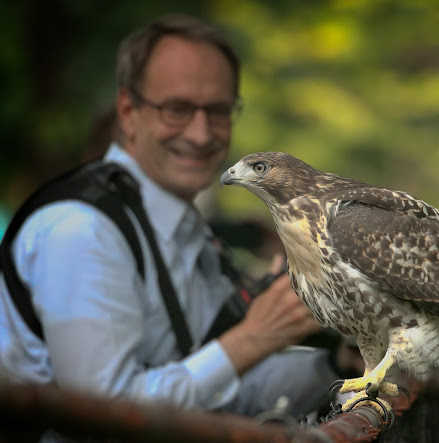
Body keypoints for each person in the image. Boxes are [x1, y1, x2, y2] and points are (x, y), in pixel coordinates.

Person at [0, 14, 349, 418]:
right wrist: (253, 338)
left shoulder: (180, 228)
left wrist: (337, 367)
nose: (201, 134)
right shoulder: (83, 230)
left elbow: (222, 392)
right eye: (177, 109)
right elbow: (99, 416)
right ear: (129, 112)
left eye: (217, 111)